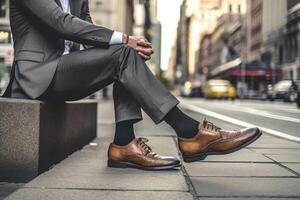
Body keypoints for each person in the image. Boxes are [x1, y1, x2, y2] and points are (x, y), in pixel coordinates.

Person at [2, 0, 262, 170]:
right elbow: (61, 22)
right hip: (37, 75)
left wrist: (127, 44)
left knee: (125, 55)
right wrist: (124, 39)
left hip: (65, 73)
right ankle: (189, 132)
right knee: (123, 51)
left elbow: (90, 33)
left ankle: (124, 144)